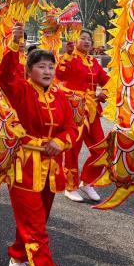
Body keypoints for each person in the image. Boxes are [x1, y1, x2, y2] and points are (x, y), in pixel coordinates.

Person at [0, 22, 77, 266]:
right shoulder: (21, 90)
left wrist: (60, 142)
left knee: (37, 220)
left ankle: (17, 258)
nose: (48, 71)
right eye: (41, 66)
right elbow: (4, 75)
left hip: (51, 169)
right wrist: (15, 42)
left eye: (51, 67)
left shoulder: (60, 96)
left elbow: (71, 128)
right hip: (24, 167)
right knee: (36, 227)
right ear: (29, 71)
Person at [56, 29, 109, 202]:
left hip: (92, 110)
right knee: (72, 149)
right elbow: (59, 74)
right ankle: (69, 186)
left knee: (101, 148)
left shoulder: (93, 62)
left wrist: (104, 92)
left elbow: (107, 81)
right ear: (75, 40)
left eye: (89, 39)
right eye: (83, 38)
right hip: (74, 110)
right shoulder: (69, 58)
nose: (86, 41)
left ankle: (87, 182)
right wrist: (67, 54)